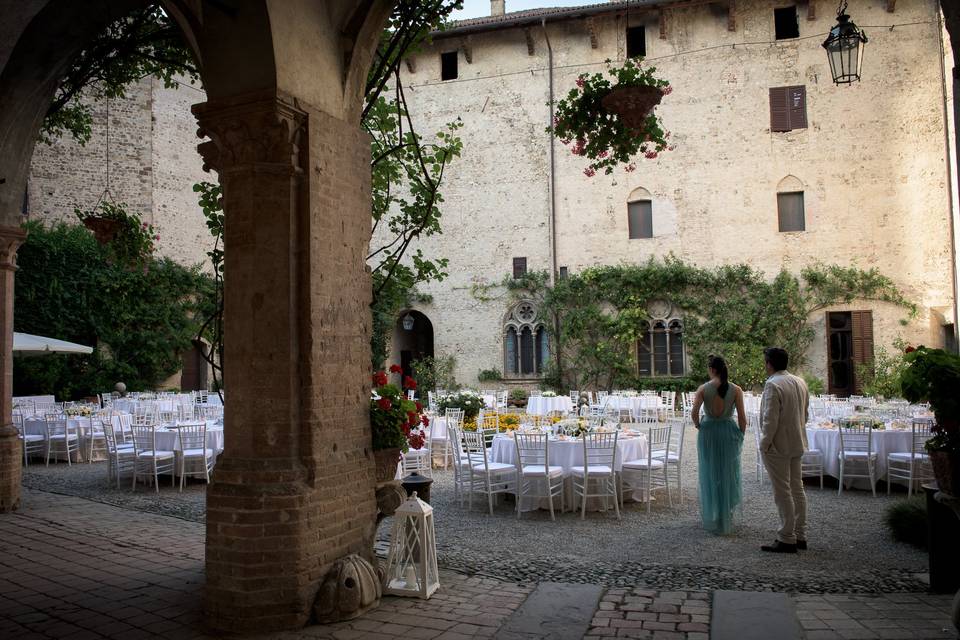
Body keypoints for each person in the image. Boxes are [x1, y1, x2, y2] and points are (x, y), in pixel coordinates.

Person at [758, 347, 810, 553]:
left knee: (783, 491)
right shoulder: (800, 382)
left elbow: (770, 420)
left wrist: (764, 444)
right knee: (797, 488)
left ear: (770, 363)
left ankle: (787, 536)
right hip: (797, 443)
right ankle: (800, 534)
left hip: (778, 446)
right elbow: (804, 414)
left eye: (765, 362)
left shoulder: (773, 385)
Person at [693, 355, 747, 535]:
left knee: (710, 471)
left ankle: (713, 513)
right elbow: (741, 417)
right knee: (729, 472)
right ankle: (727, 513)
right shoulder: (736, 389)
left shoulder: (703, 389)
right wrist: (740, 435)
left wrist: (699, 425)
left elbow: (694, 413)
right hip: (728, 431)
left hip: (708, 432)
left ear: (712, 369)